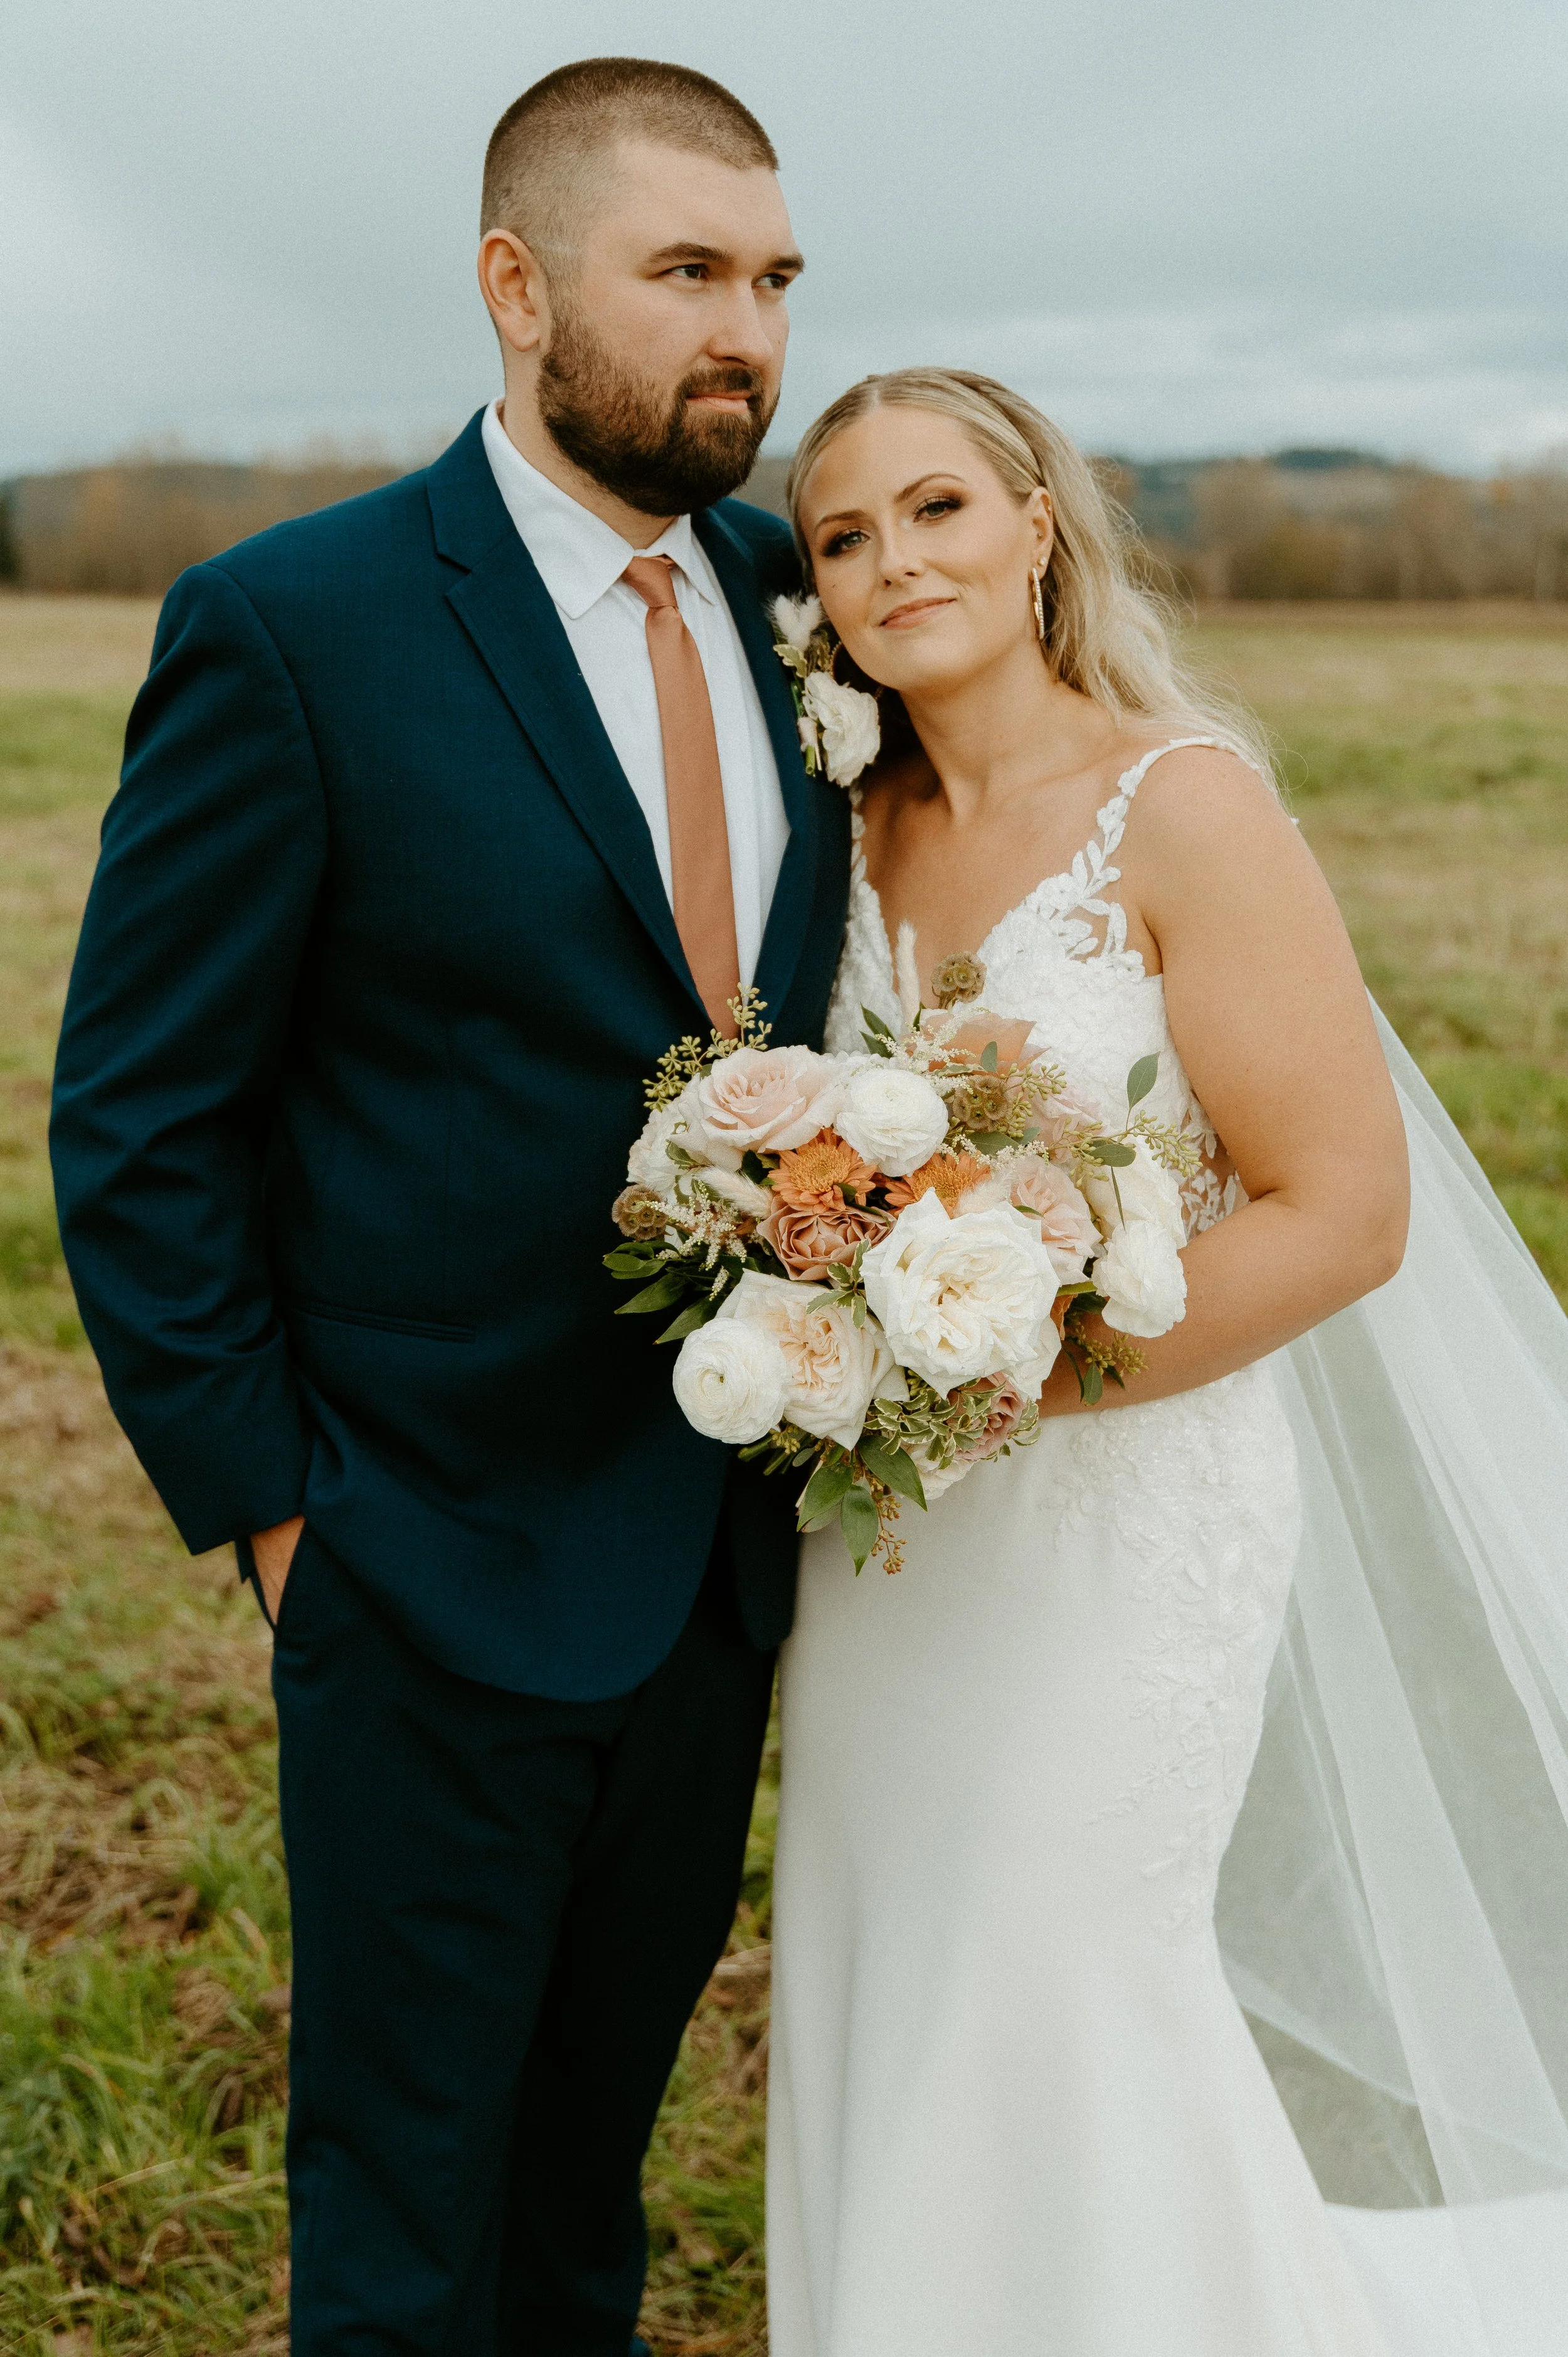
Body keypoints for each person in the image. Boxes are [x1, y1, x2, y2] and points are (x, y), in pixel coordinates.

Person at [49, 58, 849, 2357]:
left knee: (584, 2189)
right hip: (416, 1558)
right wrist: (286, 1521)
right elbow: (139, 1119)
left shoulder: (811, 600)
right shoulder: (292, 627)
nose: (749, 334)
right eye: (685, 270)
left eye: (775, 278)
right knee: (408, 2223)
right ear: (514, 287)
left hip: (716, 1561)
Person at [766, 369, 1568, 2355]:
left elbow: (1338, 1209)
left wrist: (1004, 1384)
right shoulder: (841, 833)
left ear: (1037, 525)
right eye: (845, 537)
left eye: (937, 508)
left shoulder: (1176, 800)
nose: (896, 563)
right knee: (898, 1960)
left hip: (1129, 1517)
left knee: (1063, 1967)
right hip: (890, 1546)